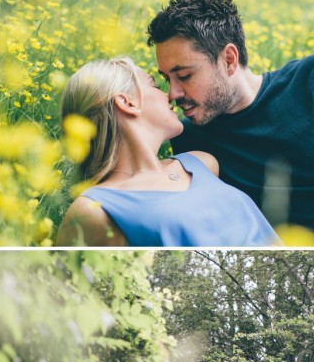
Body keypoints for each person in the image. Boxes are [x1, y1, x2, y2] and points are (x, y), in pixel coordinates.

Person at [149, 0, 314, 246]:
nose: (173, 93)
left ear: (229, 60)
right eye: (166, 79)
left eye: (184, 76)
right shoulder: (191, 141)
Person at [56, 57, 277, 246]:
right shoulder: (93, 209)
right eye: (155, 86)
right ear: (127, 103)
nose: (171, 95)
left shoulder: (202, 163)